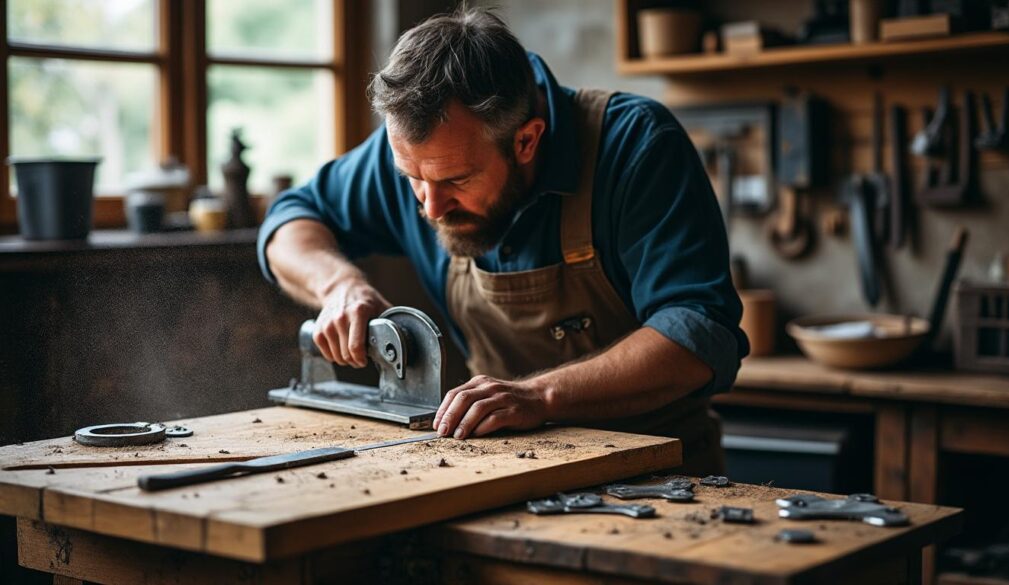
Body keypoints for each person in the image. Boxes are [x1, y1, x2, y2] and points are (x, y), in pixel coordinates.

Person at [258, 7, 748, 475]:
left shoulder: (635, 144)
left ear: (526, 140)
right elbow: (289, 222)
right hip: (504, 470)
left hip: (658, 473)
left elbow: (698, 332)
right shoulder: (423, 156)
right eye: (412, 179)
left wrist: (540, 397)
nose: (431, 207)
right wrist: (339, 286)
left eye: (456, 180)